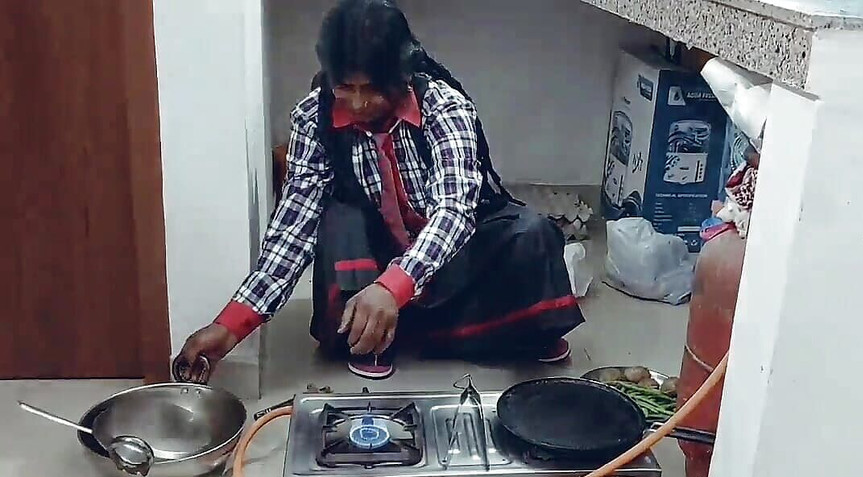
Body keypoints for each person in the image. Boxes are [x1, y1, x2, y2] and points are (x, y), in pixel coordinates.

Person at [176, 0, 584, 381]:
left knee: (531, 232)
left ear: (403, 76)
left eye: (372, 88)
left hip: (446, 261)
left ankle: (496, 330)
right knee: (338, 219)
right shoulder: (314, 120)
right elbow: (293, 230)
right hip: (376, 258)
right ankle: (371, 337)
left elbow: (454, 212)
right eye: (344, 87)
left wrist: (395, 287)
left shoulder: (445, 107)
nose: (357, 103)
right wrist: (231, 326)